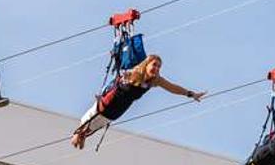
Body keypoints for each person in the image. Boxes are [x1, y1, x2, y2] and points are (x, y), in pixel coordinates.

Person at [72, 55, 201, 149]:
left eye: (158, 66)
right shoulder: (136, 72)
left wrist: (190, 94)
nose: (156, 68)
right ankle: (78, 133)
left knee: (98, 124)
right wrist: (124, 76)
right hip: (109, 101)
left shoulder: (156, 80)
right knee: (92, 116)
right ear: (147, 64)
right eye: (154, 64)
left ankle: (83, 135)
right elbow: (122, 74)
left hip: (118, 110)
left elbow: (172, 87)